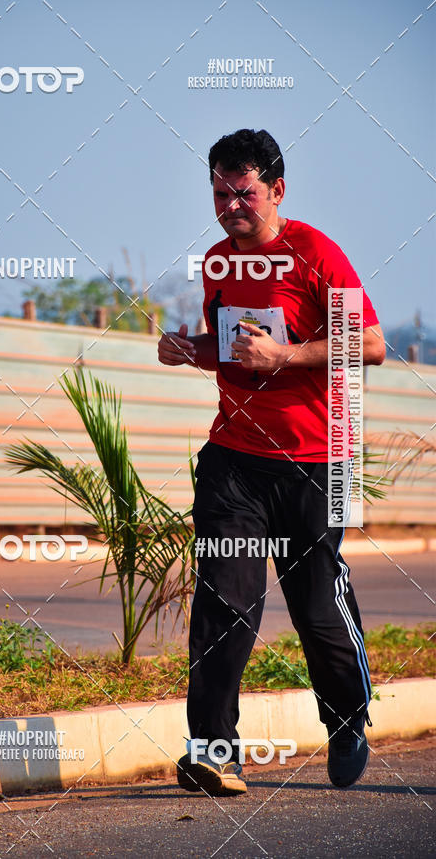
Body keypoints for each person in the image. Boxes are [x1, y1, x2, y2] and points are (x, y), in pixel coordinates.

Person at [158, 128, 386, 796]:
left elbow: (369, 344)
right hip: (235, 458)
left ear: (277, 190)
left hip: (320, 460)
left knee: (317, 606)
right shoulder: (218, 263)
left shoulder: (316, 254)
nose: (231, 206)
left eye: (245, 193)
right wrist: (188, 350)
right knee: (225, 601)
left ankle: (346, 722)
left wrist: (287, 357)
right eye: (221, 194)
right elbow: (231, 348)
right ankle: (213, 751)